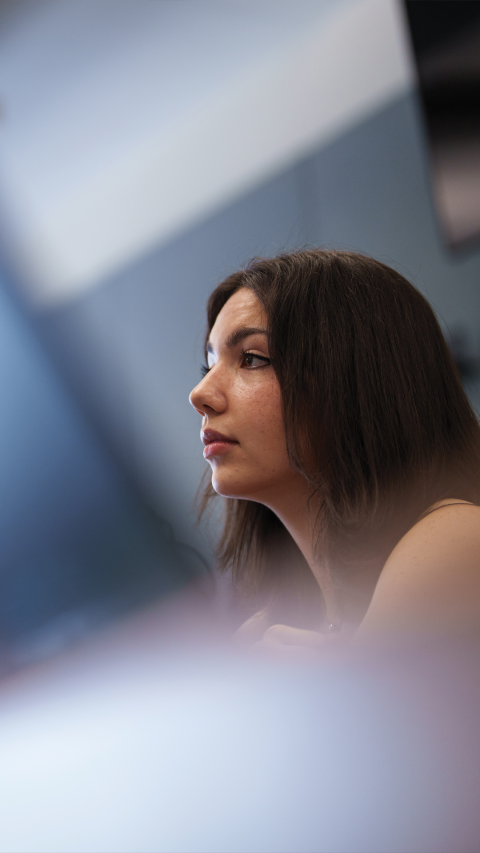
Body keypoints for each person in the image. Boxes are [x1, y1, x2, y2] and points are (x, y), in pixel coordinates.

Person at [189, 249, 480, 653]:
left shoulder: (455, 537)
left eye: (252, 359)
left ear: (356, 381)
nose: (200, 394)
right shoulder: (278, 623)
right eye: (210, 365)